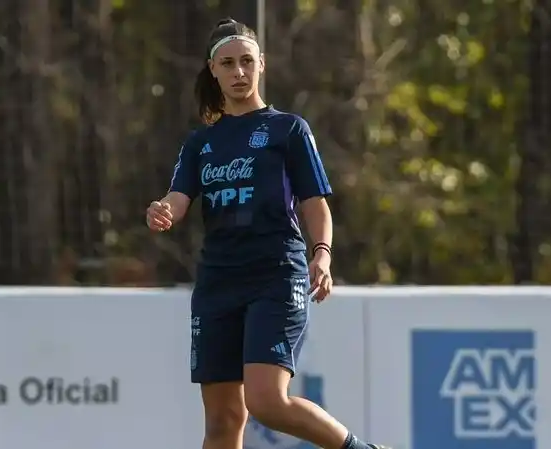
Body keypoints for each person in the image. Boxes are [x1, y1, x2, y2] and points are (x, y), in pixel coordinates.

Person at [145, 18, 389, 449]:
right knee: (222, 421)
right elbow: (178, 199)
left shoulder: (288, 129)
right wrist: (161, 210)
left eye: (246, 61)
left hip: (274, 275)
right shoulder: (200, 144)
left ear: (262, 64)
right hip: (218, 282)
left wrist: (322, 253)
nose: (238, 71)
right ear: (213, 70)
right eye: (227, 63)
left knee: (266, 401)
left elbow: (314, 202)